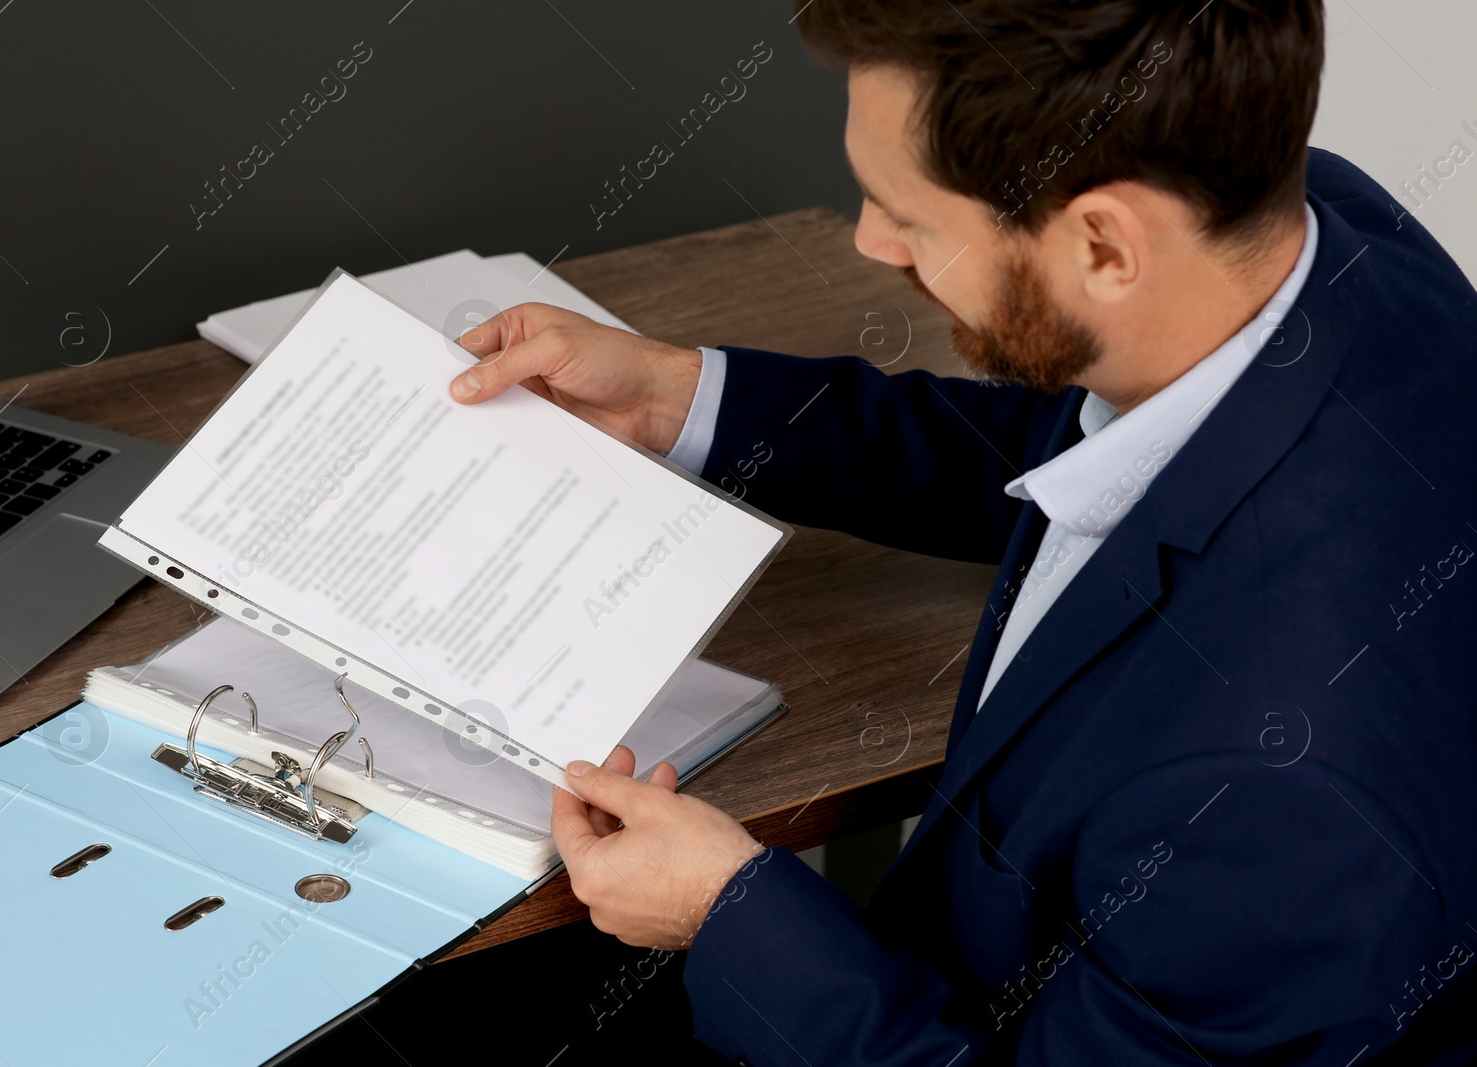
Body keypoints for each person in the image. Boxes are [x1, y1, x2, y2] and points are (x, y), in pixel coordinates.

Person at [448, 0, 1477, 1062]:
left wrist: (728, 916)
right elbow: (1074, 438)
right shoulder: (1313, 234)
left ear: (1103, 244)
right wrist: (683, 399)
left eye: (910, 216)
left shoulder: (1274, 794)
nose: (867, 237)